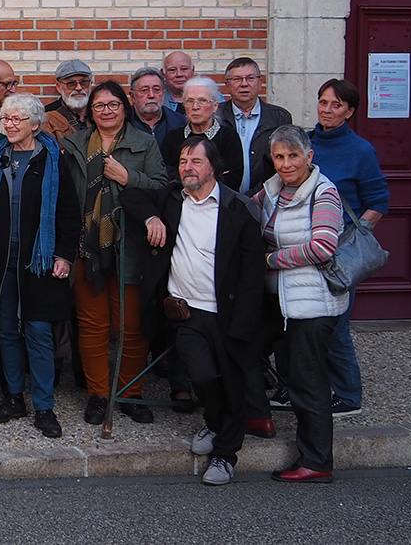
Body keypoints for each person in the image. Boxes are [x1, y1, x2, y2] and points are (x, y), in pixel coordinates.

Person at [121, 136, 266, 485]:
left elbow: (251, 274)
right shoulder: (172, 198)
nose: (187, 167)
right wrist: (153, 217)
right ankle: (215, 424)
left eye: (196, 161)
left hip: (227, 314)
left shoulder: (237, 208)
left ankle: (225, 455)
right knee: (201, 376)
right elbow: (129, 195)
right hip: (185, 312)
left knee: (231, 383)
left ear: (213, 167)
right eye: (184, 160)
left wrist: (244, 323)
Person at [0, 93, 78, 438]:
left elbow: (69, 212)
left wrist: (63, 255)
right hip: (2, 258)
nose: (9, 125)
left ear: (35, 124)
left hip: (40, 260)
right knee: (6, 329)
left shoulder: (52, 159)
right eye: (7, 119)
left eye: (17, 119)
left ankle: (44, 407)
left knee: (39, 333)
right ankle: (13, 398)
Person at [58, 80, 168, 426]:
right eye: (99, 106)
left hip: (130, 246)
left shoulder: (143, 142)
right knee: (92, 324)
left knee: (131, 326)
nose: (106, 111)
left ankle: (130, 393)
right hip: (86, 245)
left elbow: (163, 188)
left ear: (125, 107)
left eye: (113, 105)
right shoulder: (74, 144)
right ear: (90, 112)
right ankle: (99, 394)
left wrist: (127, 177)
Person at [253, 125, 347, 484]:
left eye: (293, 156)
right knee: (274, 366)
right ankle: (258, 416)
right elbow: (245, 210)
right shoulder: (273, 190)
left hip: (312, 304)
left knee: (309, 382)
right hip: (282, 301)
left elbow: (323, 247)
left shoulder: (323, 193)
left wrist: (270, 260)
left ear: (309, 156)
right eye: (279, 156)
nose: (286, 163)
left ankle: (317, 460)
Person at [307, 78, 388, 417]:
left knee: (336, 325)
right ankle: (307, 387)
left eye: (336, 105)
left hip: (338, 253)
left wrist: (351, 239)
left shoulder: (360, 150)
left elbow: (379, 201)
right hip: (304, 247)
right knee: (304, 325)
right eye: (324, 102)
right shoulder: (305, 142)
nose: (327, 110)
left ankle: (348, 395)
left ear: (350, 111)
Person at [218, 57, 293, 194]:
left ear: (260, 83)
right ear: (227, 85)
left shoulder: (279, 117)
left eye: (250, 78)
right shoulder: (216, 115)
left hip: (267, 197)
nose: (244, 84)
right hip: (223, 199)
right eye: (237, 79)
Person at [161, 77, 244, 191]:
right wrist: (211, 176)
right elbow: (166, 176)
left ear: (215, 106)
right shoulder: (172, 138)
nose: (195, 107)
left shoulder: (228, 137)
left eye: (202, 101)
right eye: (190, 101)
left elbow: (232, 179)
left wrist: (189, 179)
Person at [128, 67, 185, 148]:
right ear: (132, 96)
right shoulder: (123, 123)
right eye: (144, 90)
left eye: (156, 89)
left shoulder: (179, 123)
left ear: (163, 93)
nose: (151, 95)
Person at [43, 59, 93, 140]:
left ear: (90, 84)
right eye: (71, 84)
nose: (79, 88)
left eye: (84, 82)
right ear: (59, 87)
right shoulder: (46, 117)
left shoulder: (101, 112)